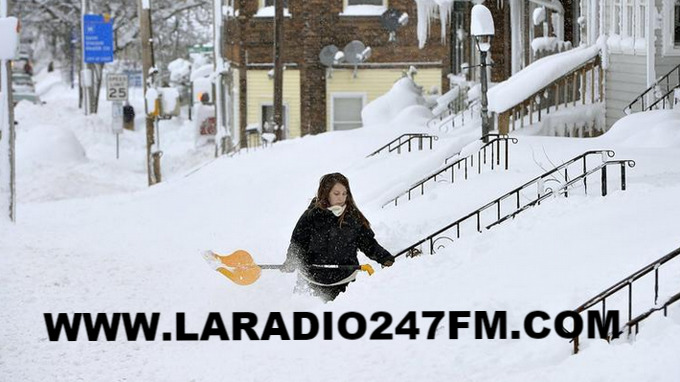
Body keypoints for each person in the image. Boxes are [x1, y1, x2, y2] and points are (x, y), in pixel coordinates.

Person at [282, 173, 394, 302]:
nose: (341, 198)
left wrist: (385, 259)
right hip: (311, 282)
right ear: (326, 193)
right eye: (336, 194)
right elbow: (297, 244)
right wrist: (292, 261)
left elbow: (368, 244)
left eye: (344, 194)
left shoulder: (353, 218)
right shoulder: (311, 216)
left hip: (345, 284)